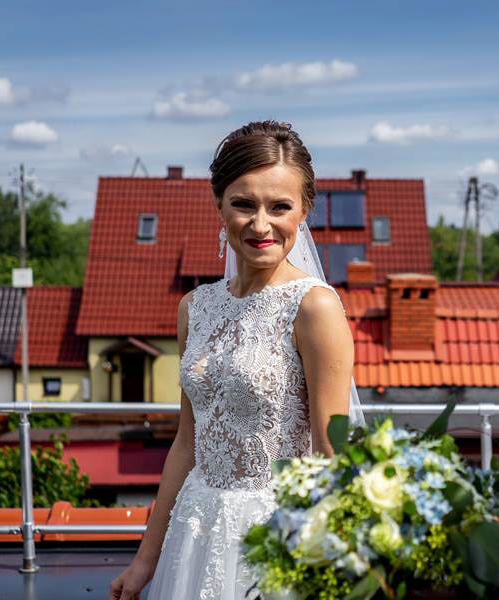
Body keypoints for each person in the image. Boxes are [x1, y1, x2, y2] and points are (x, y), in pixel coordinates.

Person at [109, 121, 363, 599]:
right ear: (219, 205)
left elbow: (333, 450)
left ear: (304, 210)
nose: (261, 225)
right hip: (194, 528)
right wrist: (145, 560)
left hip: (276, 536)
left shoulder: (314, 307)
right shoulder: (195, 307)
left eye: (279, 206)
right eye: (244, 204)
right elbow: (187, 443)